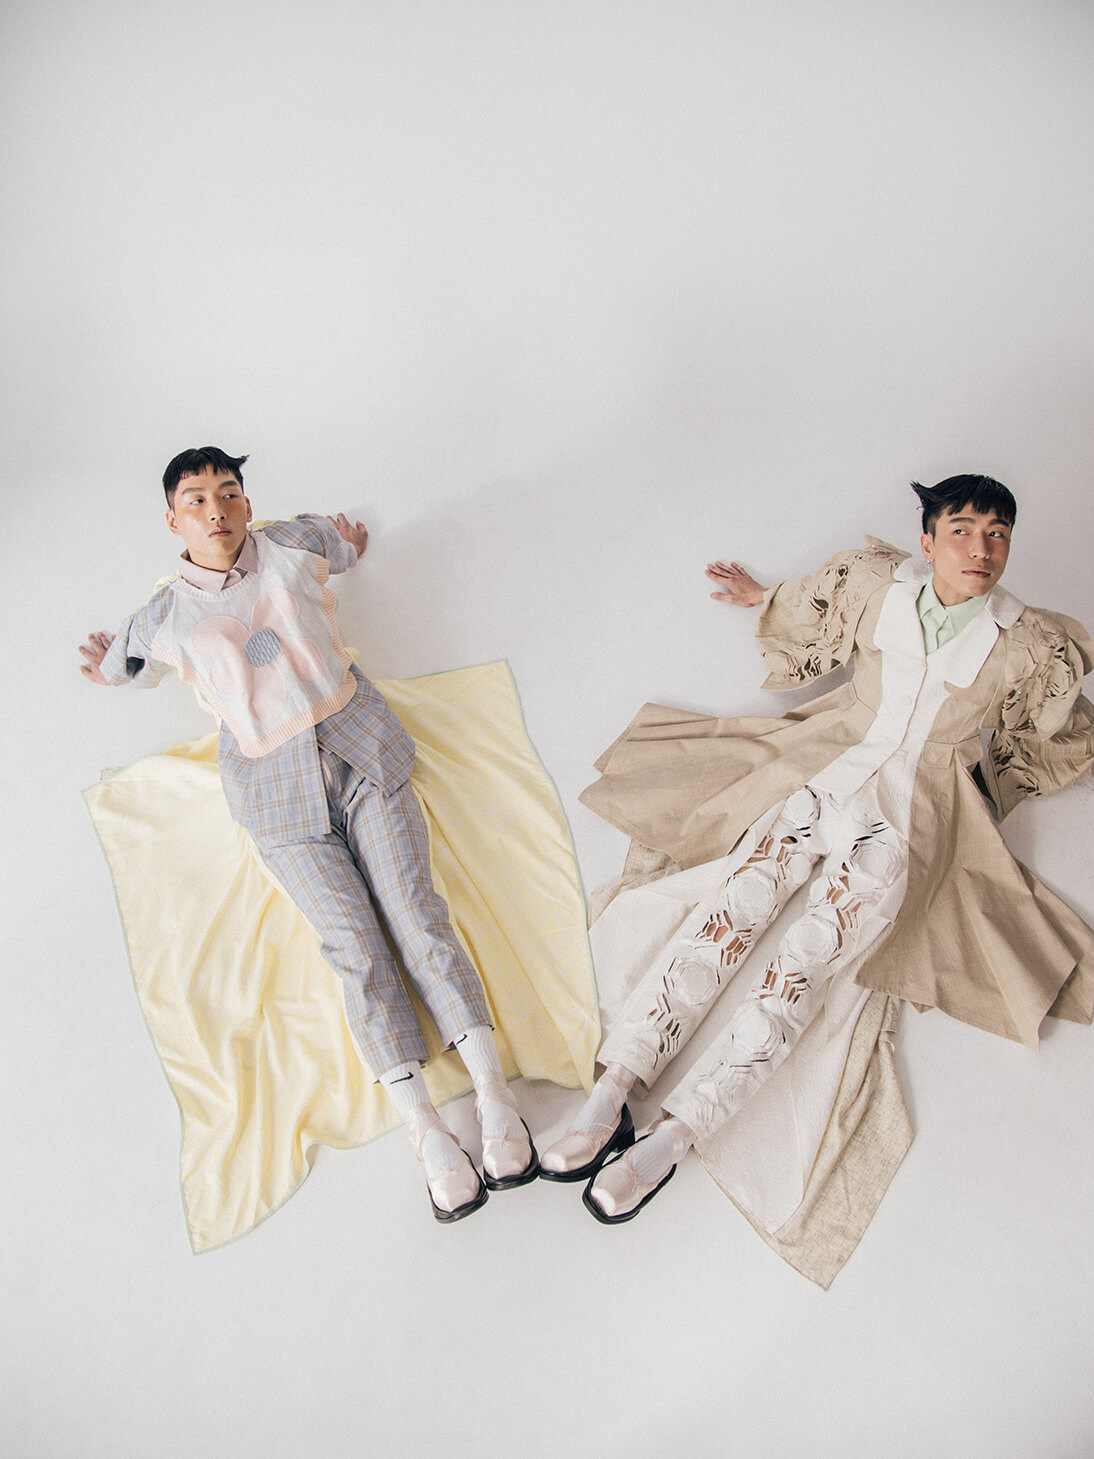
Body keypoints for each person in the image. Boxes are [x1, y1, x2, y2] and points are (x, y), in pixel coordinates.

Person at [540, 475, 1094, 1224]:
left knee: (804, 966)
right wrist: (764, 597)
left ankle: (678, 1133)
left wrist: (989, 785)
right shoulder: (879, 585)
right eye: (963, 529)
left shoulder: (1028, 642)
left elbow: (1055, 728)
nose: (982, 548)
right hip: (827, 766)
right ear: (928, 540)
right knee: (729, 914)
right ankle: (614, 1086)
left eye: (998, 534)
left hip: (912, 812)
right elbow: (818, 607)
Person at [78, 446, 538, 1222]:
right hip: (276, 796)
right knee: (355, 948)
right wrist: (104, 665)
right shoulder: (164, 614)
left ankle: (495, 1097)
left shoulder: (293, 542)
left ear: (247, 503)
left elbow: (343, 546)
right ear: (173, 520)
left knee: (417, 916)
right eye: (197, 500)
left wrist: (350, 543)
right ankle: (424, 1129)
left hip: (363, 752)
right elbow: (123, 661)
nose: (216, 510)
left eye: (229, 492)